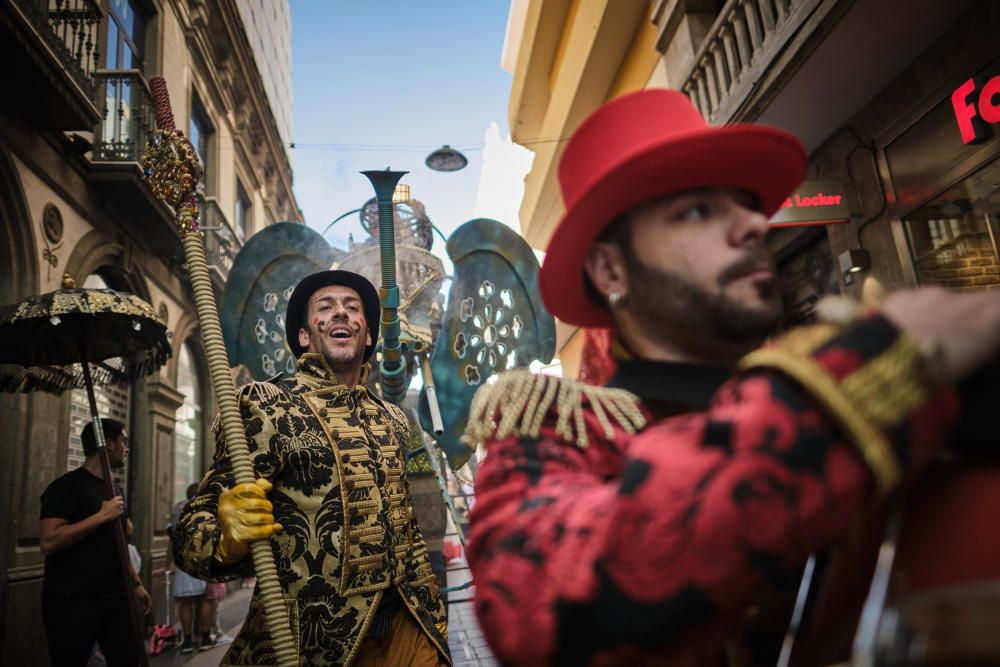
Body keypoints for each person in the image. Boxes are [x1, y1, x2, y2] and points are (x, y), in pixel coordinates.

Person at [463, 88, 1000, 666]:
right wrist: (867, 371)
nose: (752, 224)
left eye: (745, 205)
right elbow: (538, 612)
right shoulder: (558, 426)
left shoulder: (860, 381)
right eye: (697, 210)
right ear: (610, 267)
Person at [172, 270, 450, 666]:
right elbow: (189, 535)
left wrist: (433, 612)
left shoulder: (392, 418)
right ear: (304, 337)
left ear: (367, 335)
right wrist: (224, 537)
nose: (340, 314)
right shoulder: (266, 405)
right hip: (314, 647)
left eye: (352, 309)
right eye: (326, 307)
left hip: (410, 629)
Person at [39, 418, 153, 666]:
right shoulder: (65, 487)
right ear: (108, 444)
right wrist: (101, 516)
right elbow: (49, 540)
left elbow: (119, 542)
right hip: (72, 603)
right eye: (123, 440)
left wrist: (136, 584)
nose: (127, 447)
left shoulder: (116, 490)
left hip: (116, 599)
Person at [169, 482, 214, 653]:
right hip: (204, 557)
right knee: (206, 600)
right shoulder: (207, 508)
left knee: (185, 601)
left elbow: (171, 536)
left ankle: (187, 641)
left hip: (183, 558)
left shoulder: (179, 509)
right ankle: (205, 637)